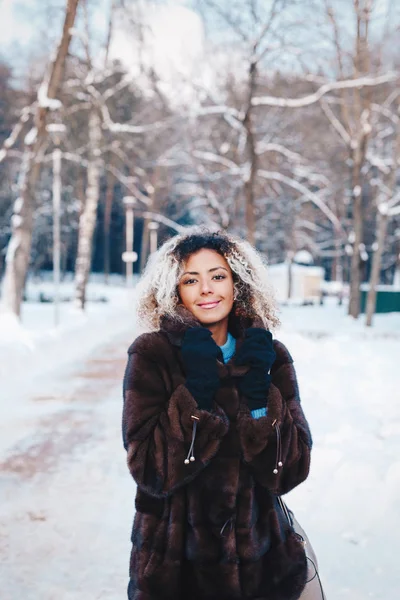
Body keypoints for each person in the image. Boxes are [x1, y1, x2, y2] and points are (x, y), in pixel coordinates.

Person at [122, 228, 313, 600]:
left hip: (264, 570)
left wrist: (260, 396)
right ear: (173, 290)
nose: (206, 289)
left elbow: (289, 470)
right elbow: (150, 471)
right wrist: (196, 394)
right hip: (175, 573)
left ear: (238, 283)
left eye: (218, 276)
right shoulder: (152, 355)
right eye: (190, 280)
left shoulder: (269, 356)